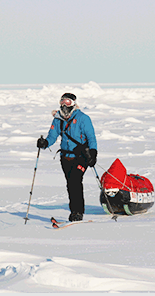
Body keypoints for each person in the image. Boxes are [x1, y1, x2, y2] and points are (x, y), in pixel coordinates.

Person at [37, 93, 97, 222]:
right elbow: (52, 136)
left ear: (74, 104)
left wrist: (93, 153)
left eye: (68, 102)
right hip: (65, 158)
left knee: (75, 181)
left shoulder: (83, 118)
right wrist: (45, 143)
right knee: (70, 184)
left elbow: (91, 137)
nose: (64, 105)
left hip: (81, 157)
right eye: (62, 102)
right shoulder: (58, 119)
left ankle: (77, 212)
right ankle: (74, 211)